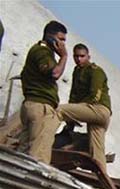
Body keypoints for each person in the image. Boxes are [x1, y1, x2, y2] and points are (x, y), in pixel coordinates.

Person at [19, 20, 68, 164]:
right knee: (38, 156)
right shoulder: (42, 51)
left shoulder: (41, 51)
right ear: (50, 37)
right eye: (61, 39)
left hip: (31, 105)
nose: (63, 44)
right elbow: (55, 73)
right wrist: (64, 56)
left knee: (24, 153)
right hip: (41, 106)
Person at [57, 43, 111, 166]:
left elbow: (95, 96)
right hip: (94, 115)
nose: (79, 59)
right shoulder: (77, 71)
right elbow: (73, 95)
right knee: (97, 150)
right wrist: (70, 123)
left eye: (82, 56)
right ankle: (101, 177)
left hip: (98, 110)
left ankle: (43, 140)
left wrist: (76, 111)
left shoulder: (96, 71)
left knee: (59, 110)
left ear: (88, 56)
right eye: (76, 56)